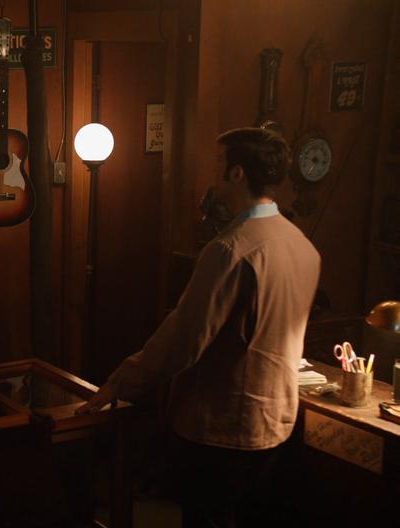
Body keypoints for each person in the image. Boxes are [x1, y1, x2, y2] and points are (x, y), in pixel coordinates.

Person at [77, 127, 321, 527]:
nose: (212, 170)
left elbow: (184, 340)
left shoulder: (230, 250)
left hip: (223, 427)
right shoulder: (303, 247)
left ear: (237, 173)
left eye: (217, 162)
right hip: (278, 421)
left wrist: (120, 383)